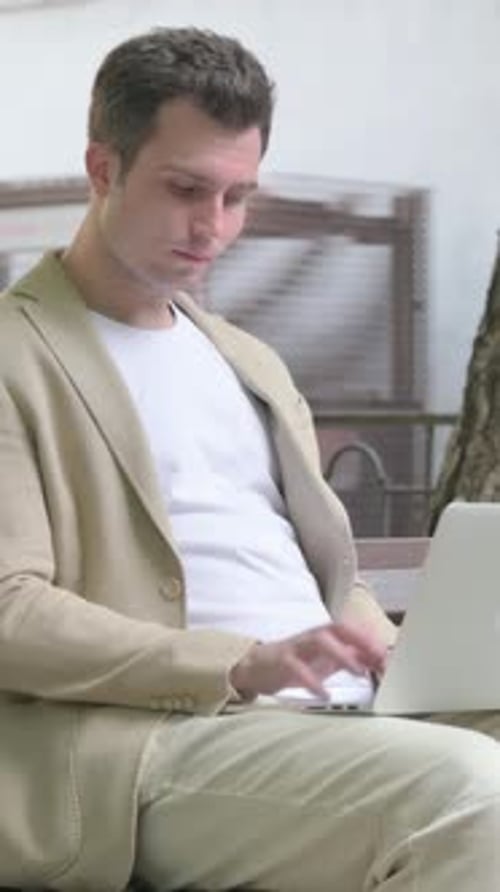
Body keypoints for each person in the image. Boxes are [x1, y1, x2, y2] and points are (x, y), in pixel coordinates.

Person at [1, 26, 500, 892]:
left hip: (328, 721)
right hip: (141, 744)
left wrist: (396, 658)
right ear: (102, 168)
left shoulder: (246, 361)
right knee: (470, 794)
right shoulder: (16, 354)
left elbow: (328, 578)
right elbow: (8, 609)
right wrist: (237, 660)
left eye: (239, 197)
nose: (214, 227)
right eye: (186, 189)